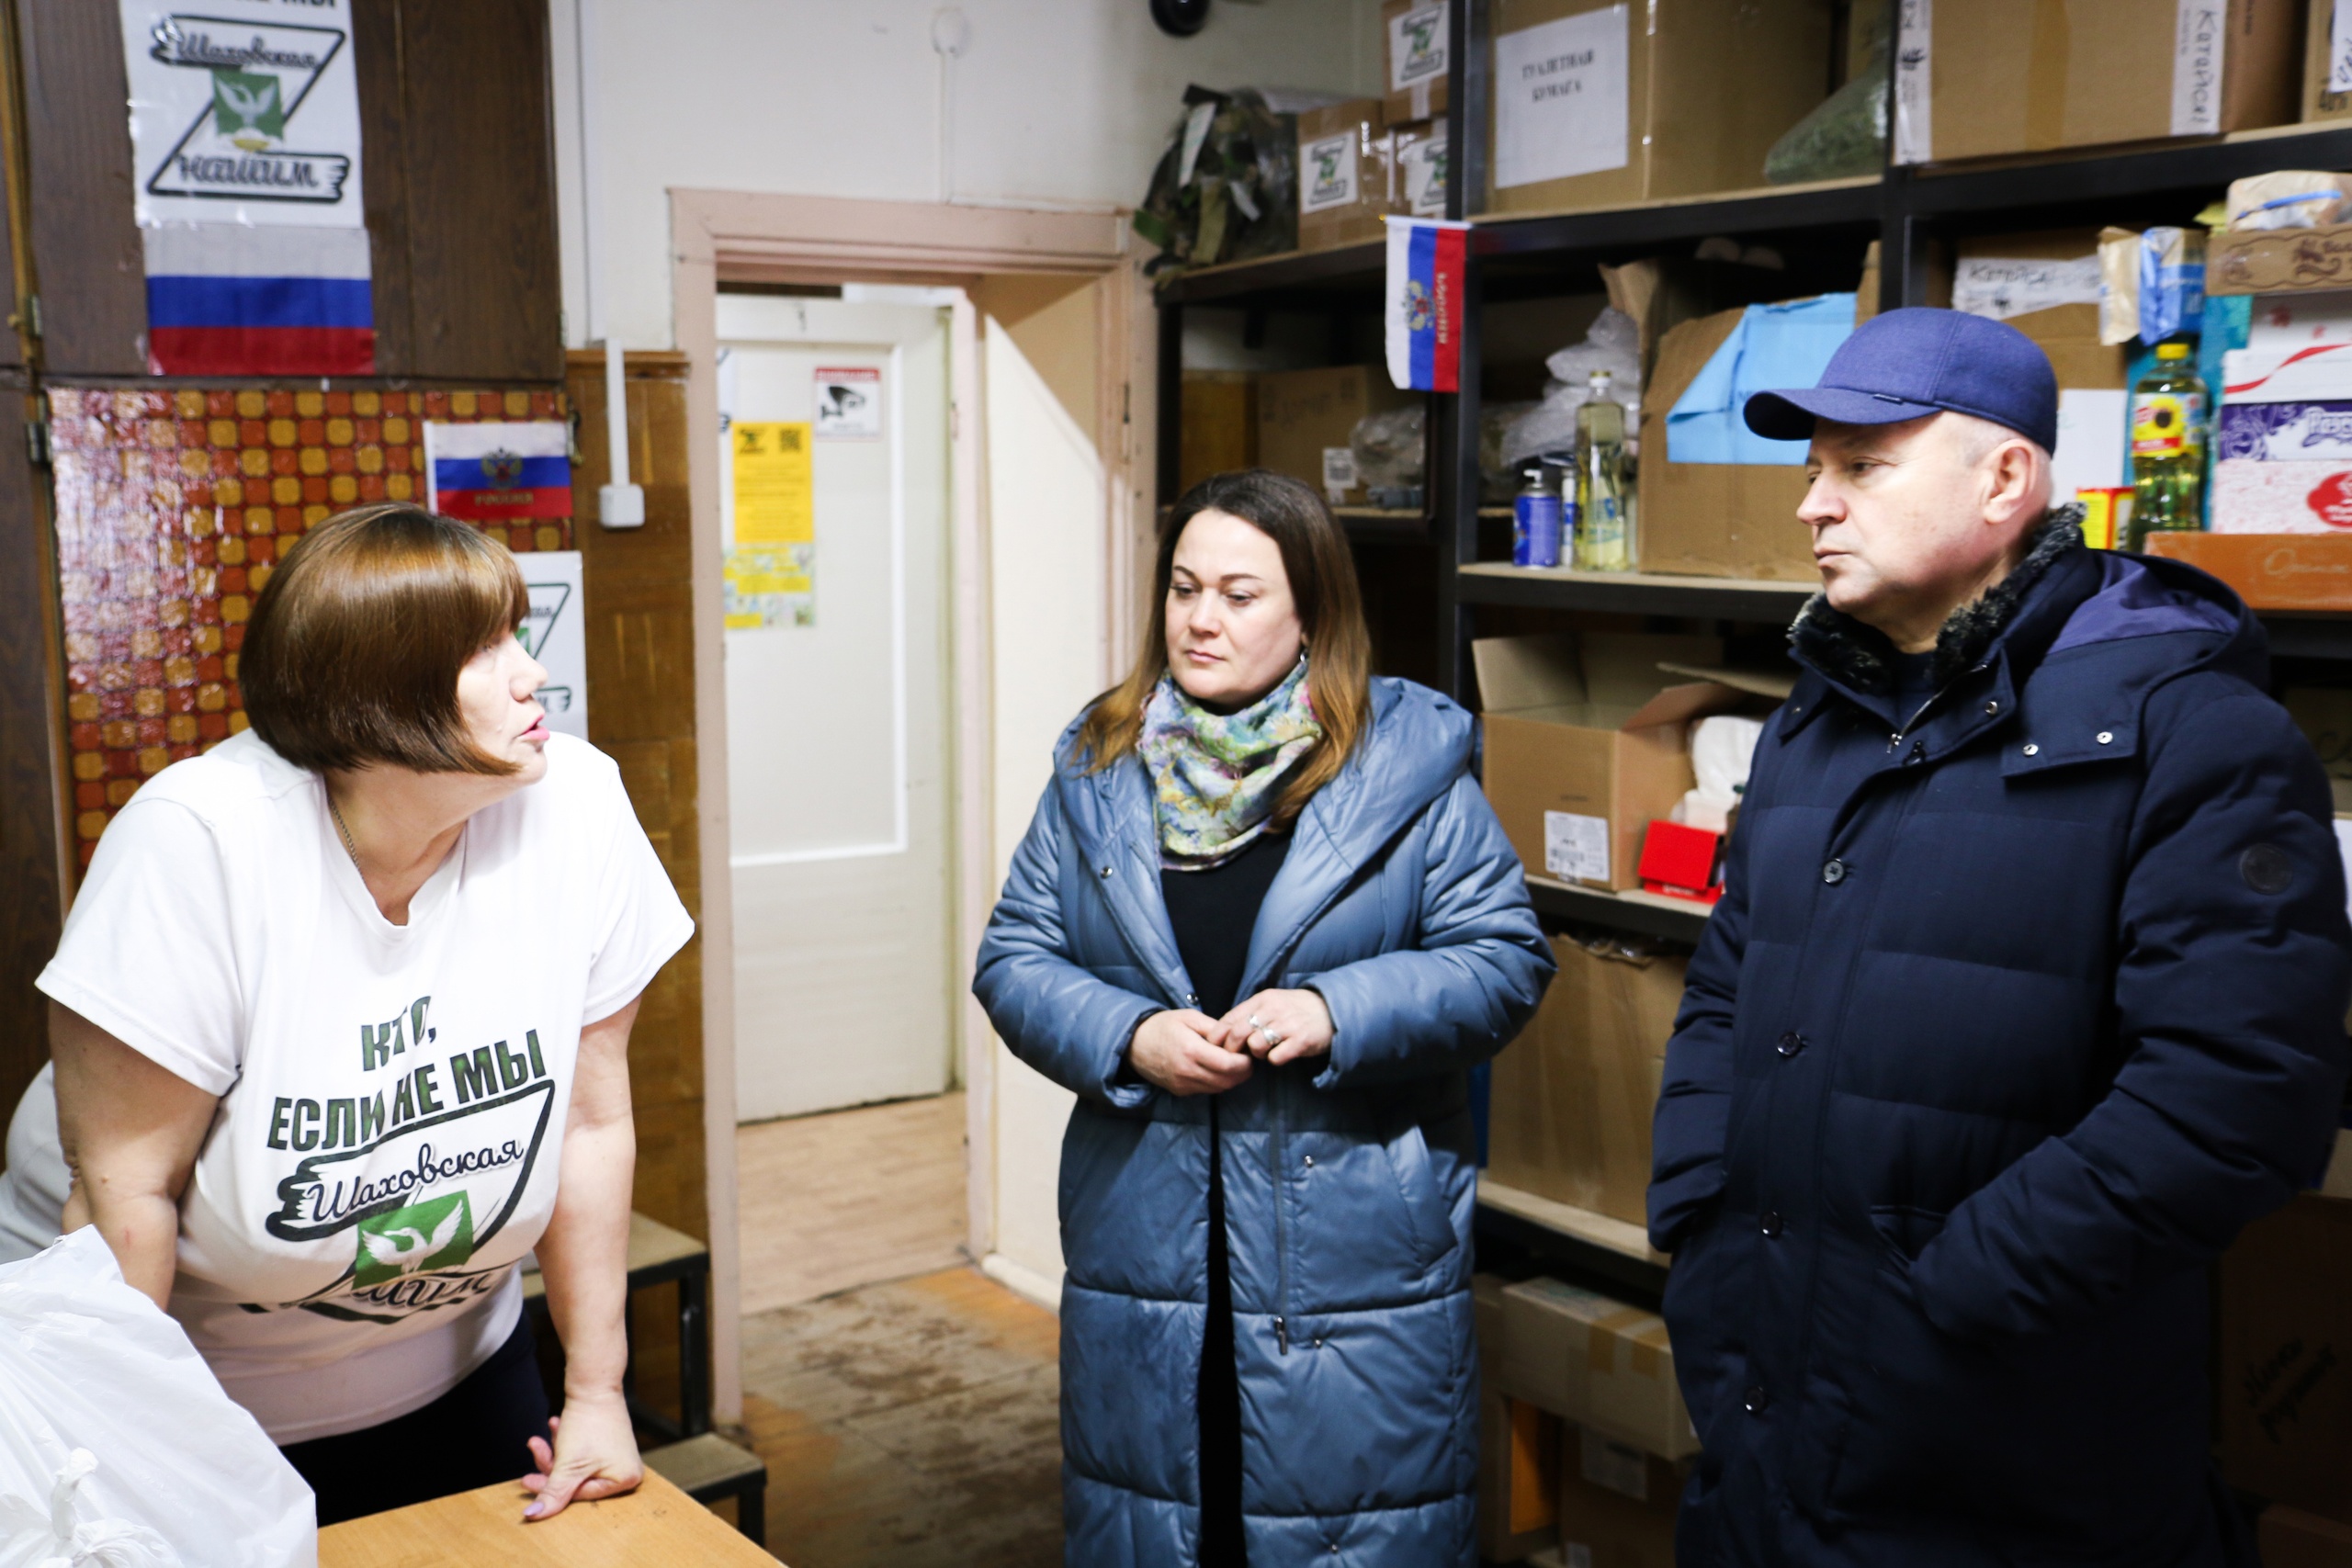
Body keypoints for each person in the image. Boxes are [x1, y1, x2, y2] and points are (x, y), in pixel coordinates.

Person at [1649, 307, 2352, 1564]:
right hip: (1766, 1412)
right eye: (1814, 468)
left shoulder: (2192, 732)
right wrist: (1701, 1210)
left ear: (2006, 479)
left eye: (1860, 466)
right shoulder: (1818, 718)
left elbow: (2241, 1093)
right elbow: (1728, 983)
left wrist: (1955, 1291)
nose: (1815, 503)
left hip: (2015, 1450)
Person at [32, 504, 695, 1525]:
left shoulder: (577, 806)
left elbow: (591, 1120)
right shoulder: (198, 846)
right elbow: (128, 1205)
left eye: (518, 634)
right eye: (485, 648)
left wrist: (597, 1394)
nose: (533, 673)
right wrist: (124, 1475)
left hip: (461, 1362)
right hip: (207, 1396)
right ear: (377, 695)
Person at [974, 468, 1554, 1568]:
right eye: (1185, 588)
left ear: (1309, 615)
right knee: (1163, 1518)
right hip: (1145, 1246)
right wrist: (1126, 1035)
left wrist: (1339, 1008)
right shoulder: (1101, 764)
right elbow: (1014, 958)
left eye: (1239, 594)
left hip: (1351, 1256)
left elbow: (1504, 960)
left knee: (1348, 1525)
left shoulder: (1405, 768)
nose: (1200, 618)